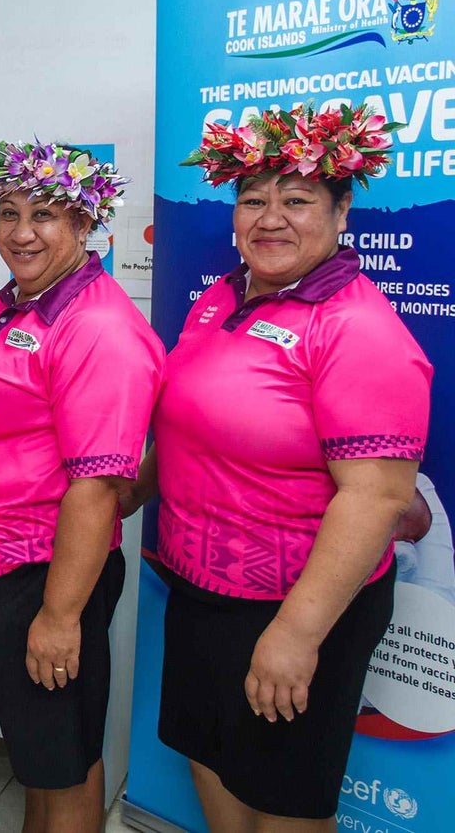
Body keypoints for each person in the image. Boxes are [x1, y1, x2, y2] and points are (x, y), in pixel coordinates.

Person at [126, 103, 430, 830]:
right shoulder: (222, 298)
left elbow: (377, 496)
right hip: (201, 591)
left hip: (299, 604)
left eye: (296, 199)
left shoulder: (358, 329)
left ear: (341, 208)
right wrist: (118, 495)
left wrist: (296, 633)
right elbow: (186, 430)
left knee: (283, 804)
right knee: (213, 764)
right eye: (253, 199)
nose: (270, 217)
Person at [0, 140, 163, 833]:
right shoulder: (21, 304)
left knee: (66, 765)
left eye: (46, 215)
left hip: (45, 573)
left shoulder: (97, 328)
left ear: (86, 225)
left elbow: (95, 488)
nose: (21, 232)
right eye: (8, 212)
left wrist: (59, 617)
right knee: (39, 754)